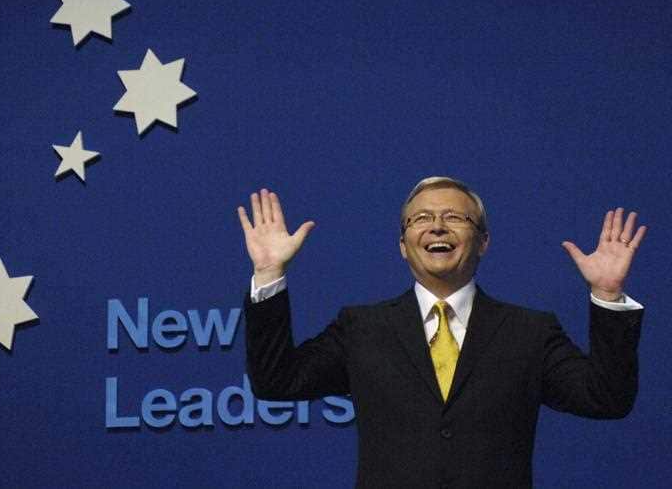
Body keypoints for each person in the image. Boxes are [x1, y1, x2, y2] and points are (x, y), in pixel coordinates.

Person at [236, 177, 646, 489]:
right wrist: (269, 274)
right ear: (402, 244)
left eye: (454, 217)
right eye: (421, 219)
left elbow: (606, 398)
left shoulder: (529, 332)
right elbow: (276, 381)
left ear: (483, 241)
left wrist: (607, 295)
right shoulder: (361, 328)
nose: (436, 227)